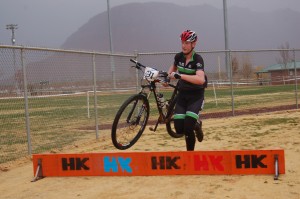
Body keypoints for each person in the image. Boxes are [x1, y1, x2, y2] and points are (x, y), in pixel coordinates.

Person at [166, 30, 206, 151]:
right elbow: (170, 72)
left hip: (196, 96)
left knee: (188, 128)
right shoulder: (178, 57)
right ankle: (196, 124)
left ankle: (190, 157)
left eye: (187, 43)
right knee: (179, 128)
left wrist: (180, 76)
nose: (184, 45)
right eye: (182, 42)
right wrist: (165, 79)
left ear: (193, 44)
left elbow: (200, 79)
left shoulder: (197, 59)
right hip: (182, 95)